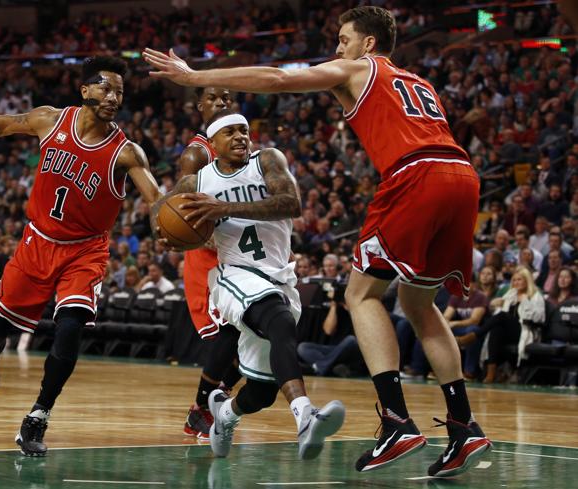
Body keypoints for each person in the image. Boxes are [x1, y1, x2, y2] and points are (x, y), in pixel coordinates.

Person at [143, 5, 491, 476]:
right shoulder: (419, 83)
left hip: (416, 175)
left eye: (344, 39)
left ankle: (396, 421)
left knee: (360, 295)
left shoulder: (359, 67)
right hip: (463, 176)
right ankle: (464, 426)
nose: (337, 48)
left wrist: (194, 76)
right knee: (419, 305)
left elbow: (278, 79)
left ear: (368, 44)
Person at [0, 56, 161, 456]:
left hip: (85, 250)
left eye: (120, 92)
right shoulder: (51, 120)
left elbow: (156, 199)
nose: (113, 97)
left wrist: (169, 221)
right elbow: (2, 125)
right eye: (106, 88)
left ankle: (38, 416)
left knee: (70, 328)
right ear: (85, 90)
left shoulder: (126, 153)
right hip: (38, 240)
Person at [152, 110, 344, 460]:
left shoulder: (268, 161)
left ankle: (225, 415)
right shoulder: (198, 182)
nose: (241, 136)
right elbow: (158, 212)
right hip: (234, 275)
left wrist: (222, 208)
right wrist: (171, 236)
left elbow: (291, 203)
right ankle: (305, 415)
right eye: (231, 132)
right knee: (280, 321)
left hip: (279, 276)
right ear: (213, 144)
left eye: (244, 130)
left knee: (262, 390)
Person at [178, 87, 244, 441]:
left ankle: (213, 401)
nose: (221, 101)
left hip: (240, 253)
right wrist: (199, 233)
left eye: (226, 97)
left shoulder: (239, 149)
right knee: (229, 332)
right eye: (213, 97)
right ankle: (201, 409)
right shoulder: (195, 155)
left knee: (254, 335)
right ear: (199, 106)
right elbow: (178, 209)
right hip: (209, 259)